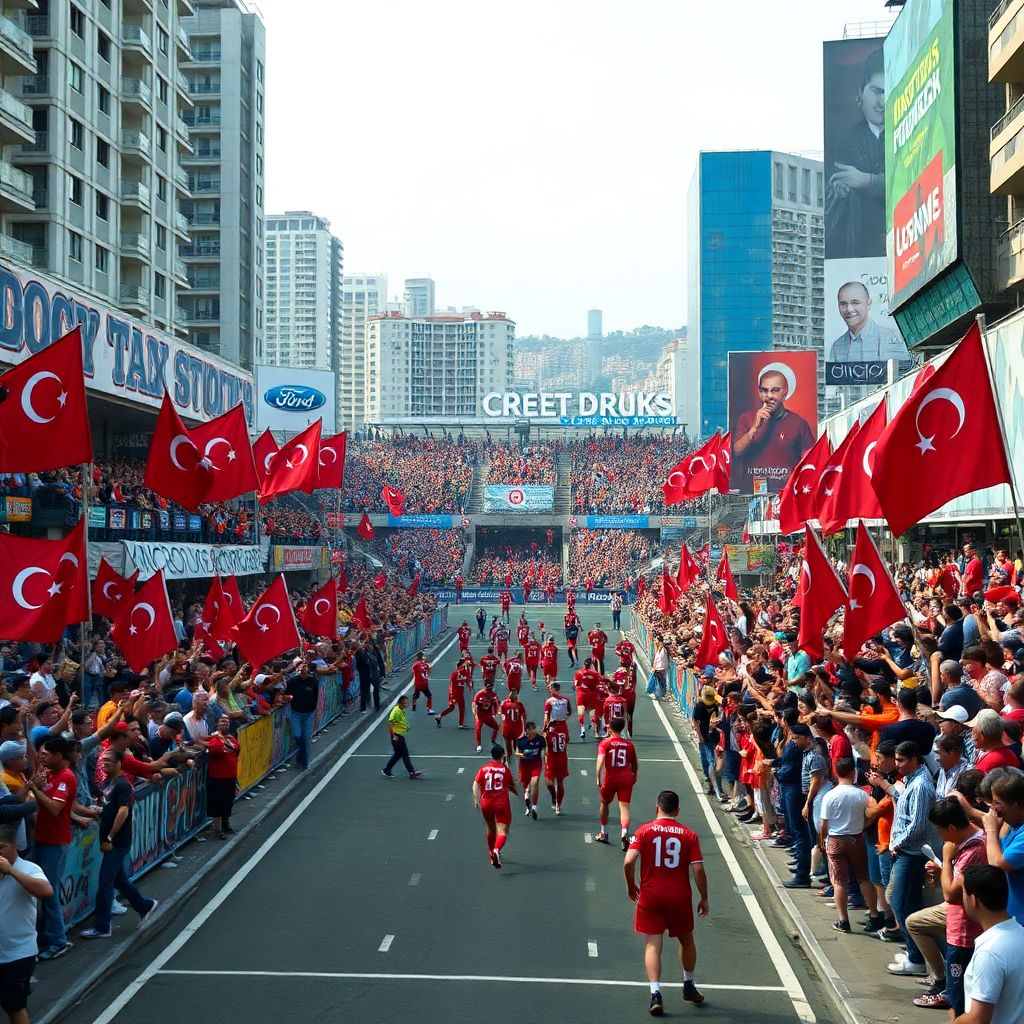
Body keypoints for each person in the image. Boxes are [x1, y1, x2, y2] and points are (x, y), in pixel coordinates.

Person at [624, 789, 709, 1014]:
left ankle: (655, 993)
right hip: (679, 896)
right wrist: (704, 897)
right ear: (677, 810)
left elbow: (628, 861)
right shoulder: (689, 835)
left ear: (657, 808)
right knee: (686, 940)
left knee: (653, 944)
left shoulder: (643, 831)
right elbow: (698, 869)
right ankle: (688, 985)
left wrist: (631, 885)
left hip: (651, 895)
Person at [80, 749, 159, 939]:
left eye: (108, 760)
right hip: (110, 840)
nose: (104, 763)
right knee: (119, 879)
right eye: (102, 760)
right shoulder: (107, 783)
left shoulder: (123, 785)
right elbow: (110, 807)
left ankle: (102, 926)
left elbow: (123, 811)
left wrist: (109, 837)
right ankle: (144, 905)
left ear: (118, 763)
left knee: (105, 883)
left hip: (117, 841)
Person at [874, 741, 935, 977]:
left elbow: (918, 825)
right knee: (904, 902)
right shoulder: (911, 780)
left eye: (901, 760)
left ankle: (916, 958)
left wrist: (897, 844)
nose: (897, 764)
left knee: (899, 901)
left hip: (910, 852)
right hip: (905, 850)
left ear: (914, 759)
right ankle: (915, 953)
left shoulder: (920, 785)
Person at [824, 47, 884, 260]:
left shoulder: (914, 131)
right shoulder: (846, 139)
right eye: (877, 91)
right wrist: (839, 186)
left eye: (889, 92)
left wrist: (866, 181)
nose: (882, 103)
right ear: (860, 94)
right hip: (856, 253)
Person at [29, 735, 77, 960]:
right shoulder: (47, 773)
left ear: (58, 755)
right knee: (37, 893)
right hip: (41, 840)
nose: (41, 757)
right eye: (41, 753)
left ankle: (58, 940)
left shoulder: (65, 777)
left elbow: (55, 809)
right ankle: (43, 937)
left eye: (46, 754)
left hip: (55, 844)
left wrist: (34, 790)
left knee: (49, 894)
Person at [956, 865, 1024, 1024]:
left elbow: (978, 1019)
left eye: (963, 894)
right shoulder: (1020, 934)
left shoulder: (989, 952)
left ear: (974, 900)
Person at [0, 824, 53, 1024]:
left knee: (14, 1005)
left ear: (14, 846)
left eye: (1, 848)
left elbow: (46, 891)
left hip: (19, 954)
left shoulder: (29, 869)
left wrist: (12, 872)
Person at [731, 366, 815, 491]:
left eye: (775, 390)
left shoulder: (799, 423)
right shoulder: (746, 419)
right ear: (759, 392)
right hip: (751, 495)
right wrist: (754, 429)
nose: (769, 396)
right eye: (764, 390)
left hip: (786, 496)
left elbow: (812, 461)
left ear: (785, 392)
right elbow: (736, 451)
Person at [818, 757, 877, 933]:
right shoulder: (861, 794)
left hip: (835, 839)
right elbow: (873, 811)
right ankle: (874, 914)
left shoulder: (830, 795)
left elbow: (823, 824)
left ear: (837, 773)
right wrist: (863, 824)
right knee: (864, 877)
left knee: (839, 881)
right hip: (856, 838)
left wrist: (822, 839)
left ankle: (843, 920)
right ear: (853, 773)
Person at [981, 770, 1024, 926]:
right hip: (1013, 918)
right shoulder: (1014, 824)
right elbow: (996, 850)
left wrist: (991, 830)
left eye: (997, 803)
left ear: (1015, 804)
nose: (994, 810)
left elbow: (997, 866)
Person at [828, 281, 908, 363]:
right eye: (843, 304)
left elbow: (900, 374)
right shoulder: (837, 346)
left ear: (868, 304)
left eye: (855, 302)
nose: (849, 309)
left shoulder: (890, 338)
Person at [472, 744, 518, 869]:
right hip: (501, 803)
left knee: (491, 829)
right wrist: (520, 795)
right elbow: (512, 786)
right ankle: (497, 850)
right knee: (503, 830)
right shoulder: (504, 769)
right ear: (502, 755)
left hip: (486, 803)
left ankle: (491, 852)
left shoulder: (483, 769)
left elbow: (476, 785)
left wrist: (476, 800)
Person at [596, 717, 638, 850]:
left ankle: (603, 832)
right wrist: (634, 776)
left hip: (611, 777)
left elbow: (600, 760)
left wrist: (598, 777)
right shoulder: (629, 744)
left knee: (604, 802)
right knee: (624, 806)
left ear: (609, 728)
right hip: (626, 776)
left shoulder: (605, 743)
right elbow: (635, 763)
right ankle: (624, 833)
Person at [206, 716, 240, 840]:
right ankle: (218, 829)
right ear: (217, 724)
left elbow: (237, 748)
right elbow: (216, 749)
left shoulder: (230, 738)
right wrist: (219, 738)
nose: (226, 723)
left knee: (228, 801)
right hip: (218, 777)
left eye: (227, 721)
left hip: (230, 776)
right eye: (222, 721)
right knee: (218, 804)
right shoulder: (214, 739)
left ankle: (226, 824)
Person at [286, 659, 320, 770]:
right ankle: (300, 757)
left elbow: (316, 696)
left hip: (309, 713)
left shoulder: (314, 681)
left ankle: (304, 762)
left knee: (306, 738)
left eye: (305, 667)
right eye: (300, 667)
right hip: (296, 712)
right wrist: (287, 698)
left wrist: (314, 708)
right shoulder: (292, 681)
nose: (303, 669)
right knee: (297, 736)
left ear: (309, 669)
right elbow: (286, 694)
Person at [382, 696, 423, 780]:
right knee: (405, 754)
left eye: (407, 702)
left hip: (399, 735)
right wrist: (394, 736)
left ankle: (387, 769)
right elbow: (390, 725)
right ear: (400, 702)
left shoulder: (400, 710)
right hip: (397, 736)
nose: (406, 704)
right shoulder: (396, 711)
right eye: (404, 703)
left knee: (398, 754)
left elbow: (399, 722)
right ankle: (412, 772)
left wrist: (405, 728)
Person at [514, 721, 544, 820]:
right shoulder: (521, 741)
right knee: (526, 787)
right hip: (524, 766)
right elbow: (516, 754)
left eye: (534, 728)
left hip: (536, 764)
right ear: (527, 730)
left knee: (534, 783)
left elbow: (545, 749)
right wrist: (523, 755)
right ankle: (528, 805)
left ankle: (534, 806)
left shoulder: (540, 739)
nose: (533, 730)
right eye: (531, 729)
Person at [436, 658, 472, 729]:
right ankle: (460, 724)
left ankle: (439, 716)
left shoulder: (466, 672)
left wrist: (469, 686)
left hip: (460, 693)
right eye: (463, 665)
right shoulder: (455, 674)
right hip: (455, 692)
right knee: (455, 707)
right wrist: (451, 695)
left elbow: (467, 679)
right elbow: (451, 685)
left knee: (458, 708)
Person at [499, 687, 526, 765]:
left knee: (509, 750)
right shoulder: (519, 705)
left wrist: (503, 723)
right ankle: (521, 762)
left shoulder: (504, 703)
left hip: (508, 729)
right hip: (517, 730)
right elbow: (523, 717)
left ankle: (507, 762)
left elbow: (500, 714)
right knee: (517, 749)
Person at [472, 679, 500, 754]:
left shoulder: (494, 695)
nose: (489, 688)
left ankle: (493, 740)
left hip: (488, 715)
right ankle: (478, 745)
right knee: (478, 728)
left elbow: (497, 704)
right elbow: (474, 703)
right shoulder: (480, 694)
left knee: (496, 727)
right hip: (480, 715)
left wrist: (495, 713)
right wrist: (474, 712)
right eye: (488, 686)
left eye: (491, 686)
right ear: (485, 686)